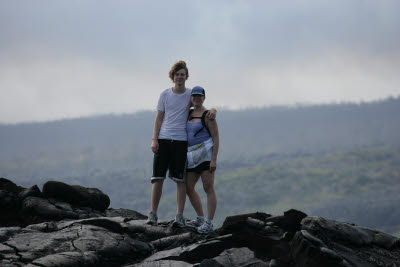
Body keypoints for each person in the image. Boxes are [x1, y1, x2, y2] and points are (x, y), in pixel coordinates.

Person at [146, 61, 216, 227]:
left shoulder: (190, 94)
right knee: (158, 178)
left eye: (182, 74)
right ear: (173, 76)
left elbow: (201, 106)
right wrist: (154, 139)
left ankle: (179, 215)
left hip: (181, 141)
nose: (180, 77)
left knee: (180, 180)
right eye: (177, 74)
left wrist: (214, 109)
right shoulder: (164, 94)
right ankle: (153, 214)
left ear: (186, 77)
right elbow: (159, 118)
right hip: (163, 139)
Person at [185, 86, 219, 234]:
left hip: (205, 155)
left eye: (199, 96)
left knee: (208, 187)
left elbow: (216, 138)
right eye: (194, 96)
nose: (197, 98)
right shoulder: (188, 113)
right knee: (188, 187)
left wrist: (214, 160)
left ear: (204, 98)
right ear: (191, 98)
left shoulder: (208, 116)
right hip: (192, 156)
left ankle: (209, 223)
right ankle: (200, 217)